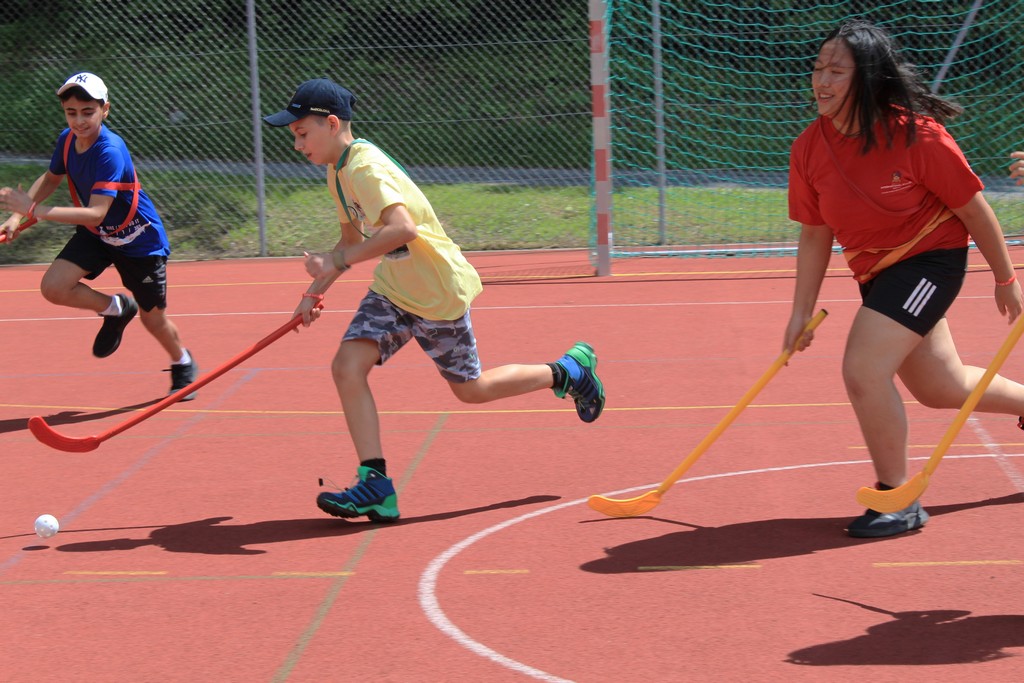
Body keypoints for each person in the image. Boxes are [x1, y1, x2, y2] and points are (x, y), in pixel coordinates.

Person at [263, 78, 605, 522]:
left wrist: (336, 258)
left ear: (331, 124)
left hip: (437, 292)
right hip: (394, 289)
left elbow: (400, 229)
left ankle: (567, 372)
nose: (297, 144)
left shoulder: (365, 168)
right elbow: (351, 240)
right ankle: (376, 485)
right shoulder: (338, 171)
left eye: (302, 133)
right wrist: (315, 290)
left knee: (471, 391)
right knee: (347, 368)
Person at [784, 20, 1024, 538]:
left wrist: (1006, 279)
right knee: (941, 386)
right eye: (818, 68)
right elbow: (814, 233)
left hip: (929, 262)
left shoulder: (916, 135)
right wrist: (801, 311)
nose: (821, 80)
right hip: (877, 271)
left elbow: (975, 210)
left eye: (837, 71)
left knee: (863, 368)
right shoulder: (808, 147)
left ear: (867, 79)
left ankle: (898, 499)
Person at [0, 72, 198, 399]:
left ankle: (182, 361)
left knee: (154, 320)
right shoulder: (66, 141)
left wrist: (33, 211)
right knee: (53, 286)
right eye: (71, 112)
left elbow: (96, 212)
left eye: (87, 112)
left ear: (105, 110)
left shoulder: (110, 151)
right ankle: (116, 308)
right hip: (98, 235)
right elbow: (51, 179)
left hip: (139, 242)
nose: (79, 120)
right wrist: (16, 217)